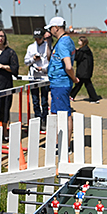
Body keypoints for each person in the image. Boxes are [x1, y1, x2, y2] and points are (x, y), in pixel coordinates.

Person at [46, 17, 78, 152]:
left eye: (50, 28)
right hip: (57, 82)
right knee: (56, 112)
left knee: (64, 114)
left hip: (61, 82)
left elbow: (68, 66)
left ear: (56, 27)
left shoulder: (64, 43)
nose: (50, 31)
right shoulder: (63, 41)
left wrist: (74, 78)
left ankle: (66, 145)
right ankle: (60, 143)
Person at [24, 28, 50, 133]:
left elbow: (50, 61)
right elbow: (26, 62)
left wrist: (43, 68)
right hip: (33, 76)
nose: (37, 40)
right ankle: (37, 119)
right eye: (36, 38)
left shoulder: (48, 47)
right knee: (35, 100)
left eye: (39, 38)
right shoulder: (31, 47)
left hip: (44, 76)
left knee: (44, 100)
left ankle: (44, 119)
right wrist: (33, 59)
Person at [69, 36, 100, 103]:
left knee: (83, 84)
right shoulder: (86, 50)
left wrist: (75, 52)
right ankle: (72, 95)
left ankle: (94, 98)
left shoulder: (83, 51)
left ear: (83, 42)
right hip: (86, 70)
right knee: (83, 84)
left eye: (79, 41)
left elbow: (77, 57)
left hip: (83, 71)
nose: (78, 42)